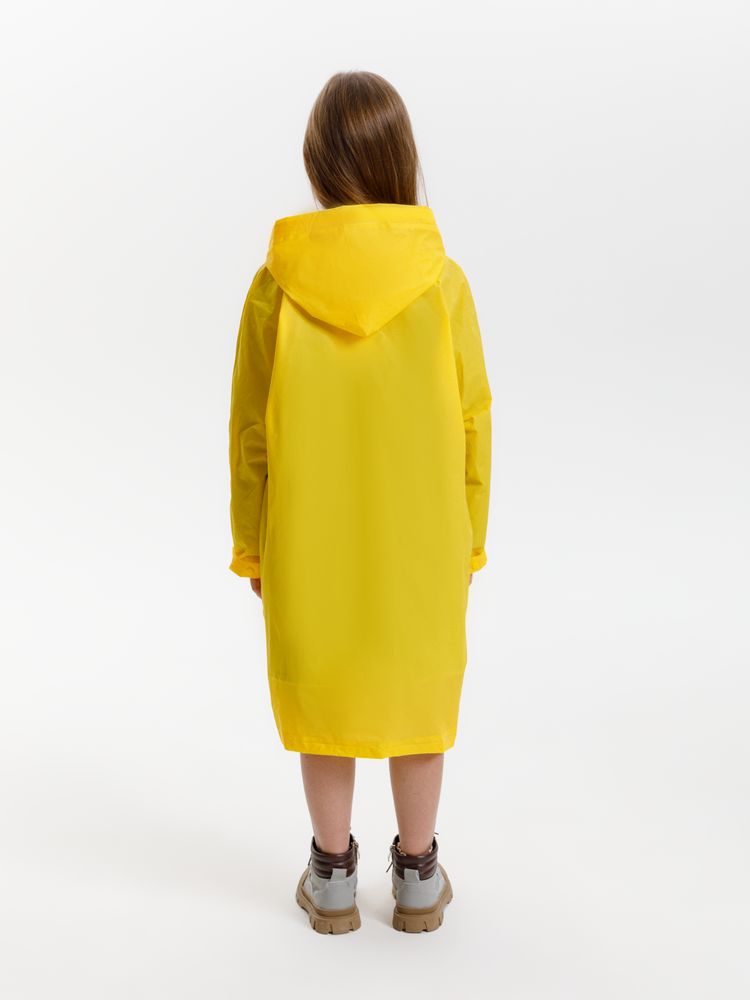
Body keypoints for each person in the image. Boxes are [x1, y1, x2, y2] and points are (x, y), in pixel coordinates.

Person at [228, 70, 492, 934]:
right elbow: (474, 421)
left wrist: (253, 544)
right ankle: (418, 875)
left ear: (317, 164)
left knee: (326, 706)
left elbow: (251, 434)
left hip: (311, 541)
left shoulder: (276, 286)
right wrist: (469, 540)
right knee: (418, 705)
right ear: (403, 159)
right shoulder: (443, 283)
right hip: (424, 543)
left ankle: (332, 876)